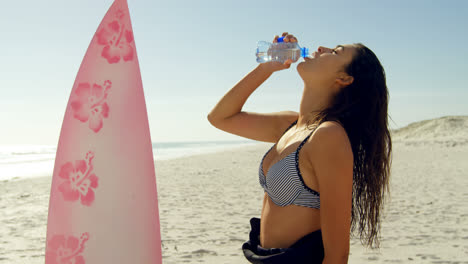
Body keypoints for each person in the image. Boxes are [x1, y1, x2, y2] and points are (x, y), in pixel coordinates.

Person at [207, 32, 392, 264]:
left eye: (335, 52)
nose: (322, 47)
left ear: (344, 78)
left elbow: (337, 254)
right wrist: (267, 68)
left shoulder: (328, 136)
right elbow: (220, 118)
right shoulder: (290, 125)